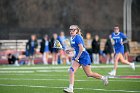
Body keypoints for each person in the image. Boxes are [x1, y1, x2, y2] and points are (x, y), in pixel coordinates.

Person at [64, 25, 109, 93]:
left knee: (89, 74)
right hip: (78, 56)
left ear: (76, 31)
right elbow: (76, 48)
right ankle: (71, 88)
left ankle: (103, 78)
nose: (71, 31)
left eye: (73, 30)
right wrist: (69, 49)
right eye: (70, 29)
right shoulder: (72, 38)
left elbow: (81, 49)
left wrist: (77, 58)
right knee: (71, 70)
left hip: (84, 57)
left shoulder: (78, 37)